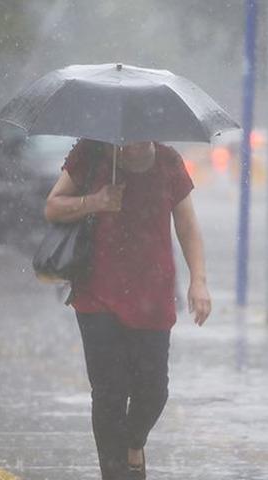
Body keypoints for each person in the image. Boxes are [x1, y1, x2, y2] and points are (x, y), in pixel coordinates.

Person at [44, 138, 212, 480]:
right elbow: (53, 206)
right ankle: (116, 472)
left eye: (142, 136)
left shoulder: (168, 162)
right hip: (97, 292)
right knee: (109, 393)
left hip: (153, 292)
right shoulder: (91, 153)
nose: (134, 145)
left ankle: (134, 445)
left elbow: (187, 225)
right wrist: (96, 201)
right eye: (128, 137)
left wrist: (199, 280)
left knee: (154, 390)